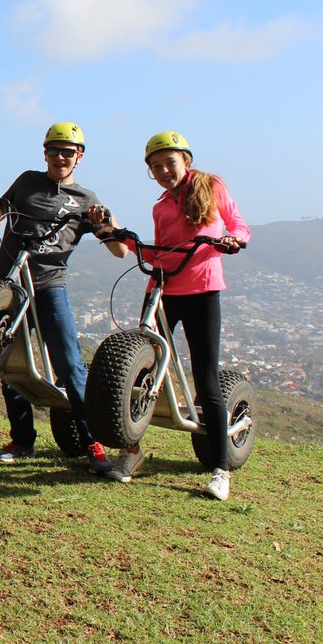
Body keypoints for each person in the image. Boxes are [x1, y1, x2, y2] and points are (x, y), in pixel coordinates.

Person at [96, 131, 249, 499]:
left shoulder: (212, 187)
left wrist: (235, 241)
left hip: (203, 291)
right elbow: (159, 252)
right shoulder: (161, 205)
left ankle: (221, 471)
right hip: (163, 290)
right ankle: (131, 452)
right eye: (156, 166)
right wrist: (116, 235)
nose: (164, 170)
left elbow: (239, 225)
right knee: (143, 370)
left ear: (187, 161)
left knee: (206, 379)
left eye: (170, 163)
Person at [0, 122, 126, 472]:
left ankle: (93, 441)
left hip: (49, 285)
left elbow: (119, 250)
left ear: (80, 157)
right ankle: (22, 440)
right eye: (54, 151)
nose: (60, 157)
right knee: (9, 364)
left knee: (69, 365)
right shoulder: (27, 180)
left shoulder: (87, 200)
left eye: (68, 152)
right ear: (45, 153)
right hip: (9, 287)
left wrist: (104, 221)